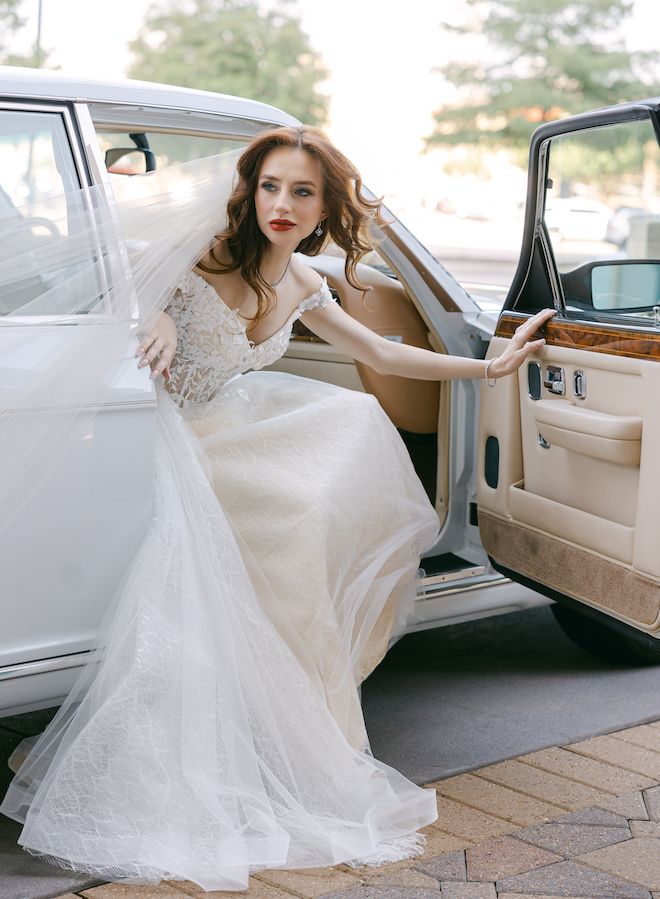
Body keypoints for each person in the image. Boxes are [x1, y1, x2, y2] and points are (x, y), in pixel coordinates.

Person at [1, 126, 552, 892]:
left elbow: (385, 356)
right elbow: (123, 277)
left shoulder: (303, 284)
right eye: (269, 186)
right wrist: (152, 314)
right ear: (248, 190)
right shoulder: (203, 250)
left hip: (228, 425)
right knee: (265, 522)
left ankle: (283, 729)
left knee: (340, 453)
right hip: (163, 430)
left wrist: (489, 364)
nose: (282, 204)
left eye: (301, 191)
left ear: (325, 205)